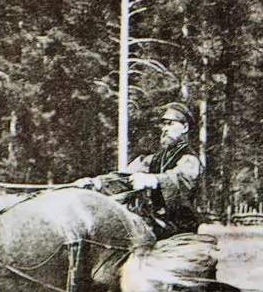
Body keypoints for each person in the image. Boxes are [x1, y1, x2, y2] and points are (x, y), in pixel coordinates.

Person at [79, 102, 204, 238]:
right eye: (163, 124)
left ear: (185, 127)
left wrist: (154, 180)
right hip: (157, 226)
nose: (164, 129)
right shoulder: (153, 159)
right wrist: (98, 183)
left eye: (170, 124)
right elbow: (126, 177)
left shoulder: (189, 159)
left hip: (181, 231)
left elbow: (181, 180)